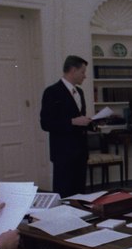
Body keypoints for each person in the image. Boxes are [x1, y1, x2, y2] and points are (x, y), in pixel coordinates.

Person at [40, 55, 94, 198]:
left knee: (80, 194)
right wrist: (72, 122)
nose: (85, 76)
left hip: (81, 152)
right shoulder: (52, 92)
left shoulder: (80, 92)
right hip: (63, 153)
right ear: (73, 70)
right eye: (82, 72)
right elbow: (45, 123)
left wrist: (92, 122)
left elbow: (80, 119)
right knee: (64, 193)